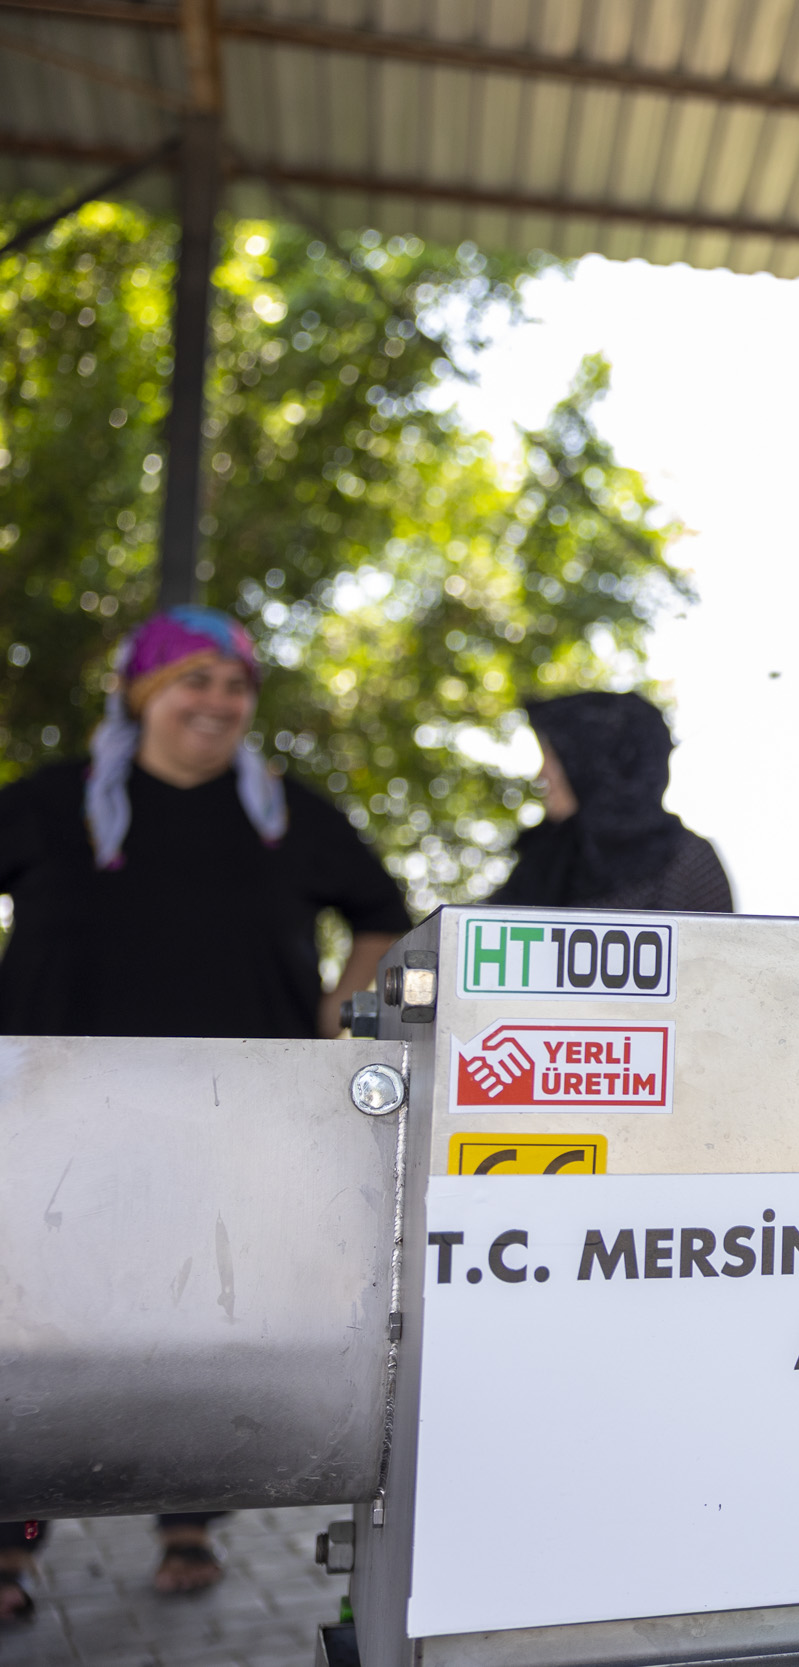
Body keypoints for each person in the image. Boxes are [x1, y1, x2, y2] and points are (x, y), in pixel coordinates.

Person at [0, 607, 411, 1609]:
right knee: (36, 1320)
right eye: (196, 680)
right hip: (58, 1113)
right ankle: (12, 1532)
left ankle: (188, 1513)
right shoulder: (55, 804)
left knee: (202, 1315)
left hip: (238, 1117)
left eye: (236, 686)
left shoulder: (286, 813)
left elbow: (381, 910)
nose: (219, 703)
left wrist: (331, 1014)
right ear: (142, 693)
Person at [489, 692, 733, 912]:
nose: (541, 774)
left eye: (554, 758)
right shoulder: (548, 857)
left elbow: (712, 958)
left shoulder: (686, 861)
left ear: (594, 762)